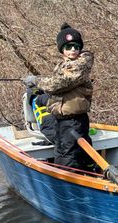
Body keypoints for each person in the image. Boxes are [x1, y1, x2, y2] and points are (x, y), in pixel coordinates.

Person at [23, 23, 94, 171]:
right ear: (62, 50)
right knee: (63, 153)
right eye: (68, 47)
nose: (73, 50)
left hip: (73, 121)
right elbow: (56, 87)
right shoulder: (65, 65)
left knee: (68, 158)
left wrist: (36, 80)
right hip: (62, 120)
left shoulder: (80, 64)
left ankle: (72, 186)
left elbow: (59, 83)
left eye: (76, 46)